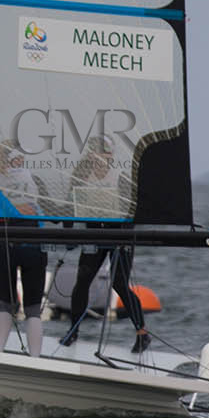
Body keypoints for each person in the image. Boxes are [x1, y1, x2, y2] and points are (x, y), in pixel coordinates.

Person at [64, 135, 148, 352]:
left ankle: (142, 334)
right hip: (94, 234)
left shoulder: (121, 175)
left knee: (119, 284)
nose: (101, 156)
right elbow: (69, 202)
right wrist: (68, 233)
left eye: (105, 152)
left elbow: (134, 208)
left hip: (120, 235)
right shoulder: (81, 174)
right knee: (82, 280)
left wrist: (123, 235)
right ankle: (73, 331)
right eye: (96, 151)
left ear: (111, 155)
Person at [0, 143, 46, 357]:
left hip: (3, 245)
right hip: (32, 244)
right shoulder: (34, 179)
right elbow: (52, 209)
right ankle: (35, 359)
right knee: (33, 309)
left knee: (6, 304)